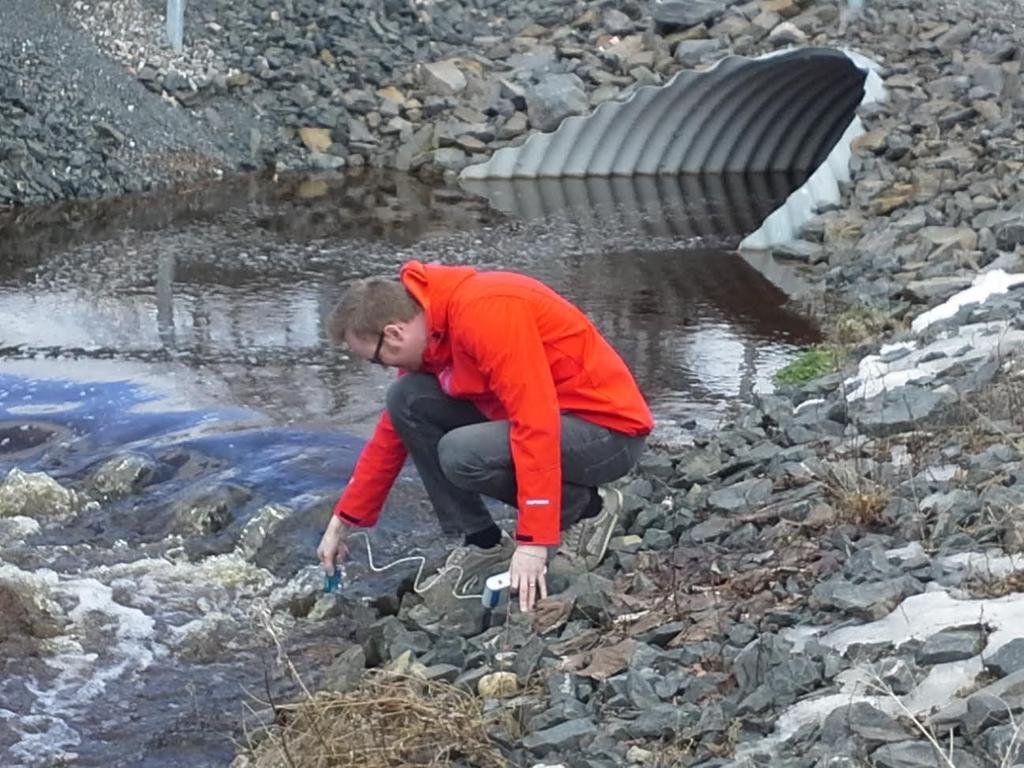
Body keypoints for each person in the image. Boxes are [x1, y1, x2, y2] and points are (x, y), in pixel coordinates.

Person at [316, 260, 653, 612]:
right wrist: (343, 520)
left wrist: (533, 543)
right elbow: (390, 437)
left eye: (376, 359)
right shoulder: (436, 331)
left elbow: (534, 422)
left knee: (460, 453)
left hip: (608, 434)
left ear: (395, 333)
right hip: (555, 423)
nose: (383, 367)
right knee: (406, 399)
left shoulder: (486, 314)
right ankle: (482, 540)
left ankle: (589, 510)